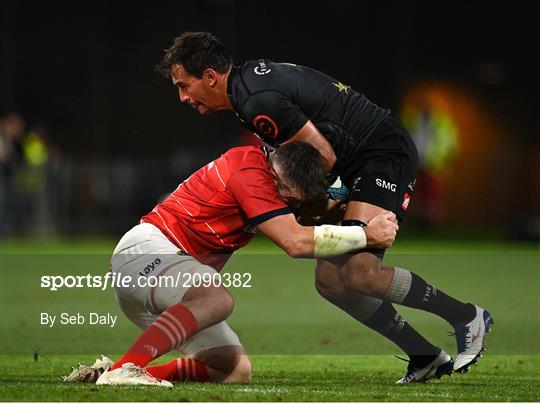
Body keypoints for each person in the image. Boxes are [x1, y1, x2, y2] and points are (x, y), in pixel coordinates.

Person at [155, 32, 494, 383]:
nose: (182, 97)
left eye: (184, 85)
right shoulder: (247, 90)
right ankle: (425, 356)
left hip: (380, 155)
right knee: (331, 281)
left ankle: (465, 316)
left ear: (210, 76)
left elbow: (322, 157)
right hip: (357, 163)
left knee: (359, 272)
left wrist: (324, 203)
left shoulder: (257, 101)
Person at [65, 142, 398, 386]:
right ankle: (126, 369)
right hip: (147, 252)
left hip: (161, 271)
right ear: (282, 180)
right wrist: (366, 235)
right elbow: (295, 242)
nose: (286, 206)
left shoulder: (263, 174)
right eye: (290, 199)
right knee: (217, 298)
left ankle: (116, 372)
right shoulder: (250, 172)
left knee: (234, 369)